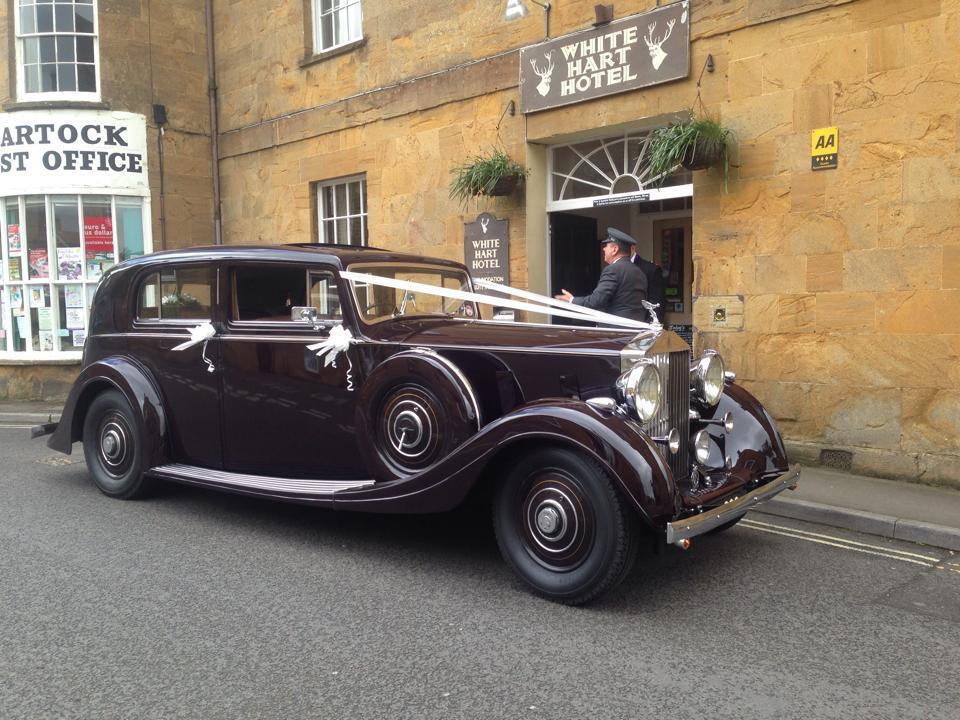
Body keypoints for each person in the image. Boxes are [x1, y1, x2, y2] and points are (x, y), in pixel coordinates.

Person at [555, 227, 647, 322]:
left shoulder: (613, 270)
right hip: (636, 328)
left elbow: (596, 301)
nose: (603, 249)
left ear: (614, 249)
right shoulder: (639, 272)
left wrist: (572, 300)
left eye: (606, 246)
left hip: (616, 330)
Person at [629, 239, 667, 324]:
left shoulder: (650, 269)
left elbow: (657, 303)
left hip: (641, 326)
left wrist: (648, 327)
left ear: (632, 248)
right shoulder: (612, 270)